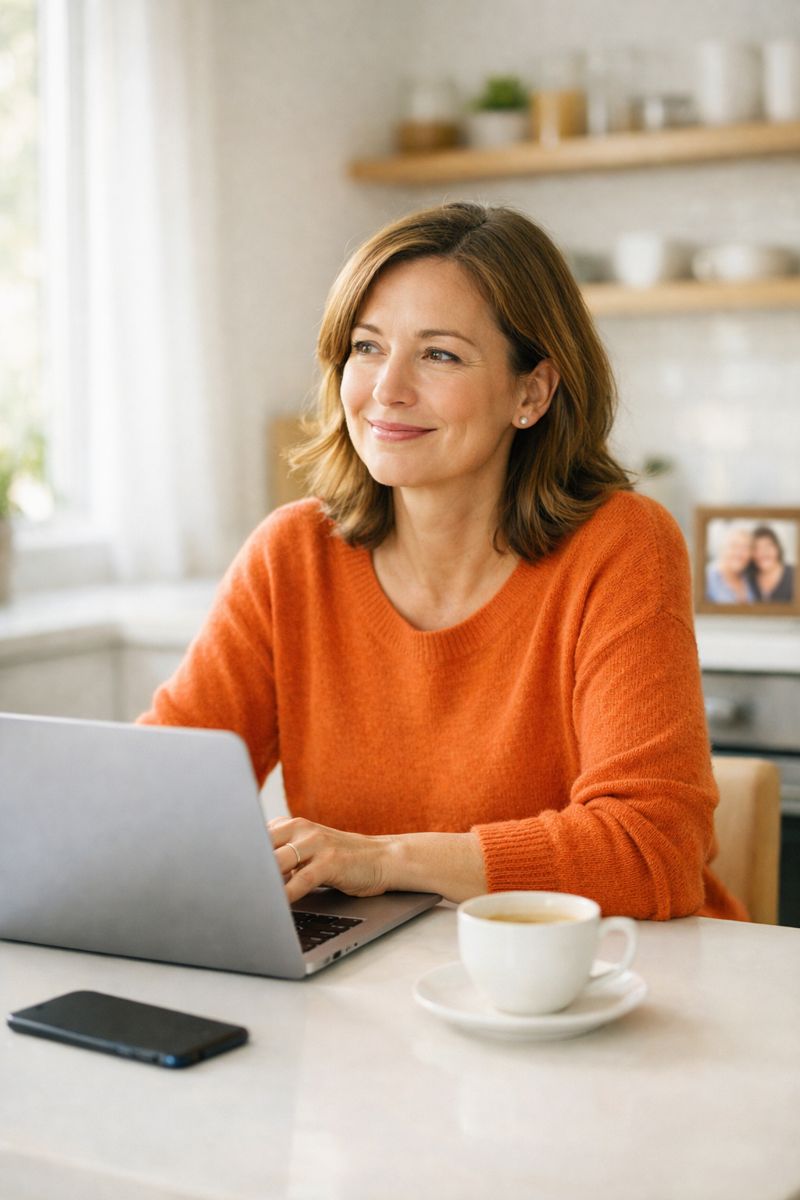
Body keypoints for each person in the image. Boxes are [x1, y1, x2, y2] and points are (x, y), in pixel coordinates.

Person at [139, 202, 745, 921]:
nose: (387, 390)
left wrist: (383, 860)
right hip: (387, 983)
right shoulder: (291, 555)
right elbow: (155, 793)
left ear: (531, 392)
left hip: (614, 989)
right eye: (367, 347)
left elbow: (653, 852)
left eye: (440, 354)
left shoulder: (621, 545)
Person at [704, 525, 757, 605]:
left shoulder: (750, 578)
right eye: (734, 546)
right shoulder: (707, 578)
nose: (739, 553)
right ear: (722, 549)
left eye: (745, 548)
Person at [748, 525, 794, 603]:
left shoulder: (794, 574)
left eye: (768, 546)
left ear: (777, 548)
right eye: (756, 548)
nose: (762, 553)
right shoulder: (748, 578)